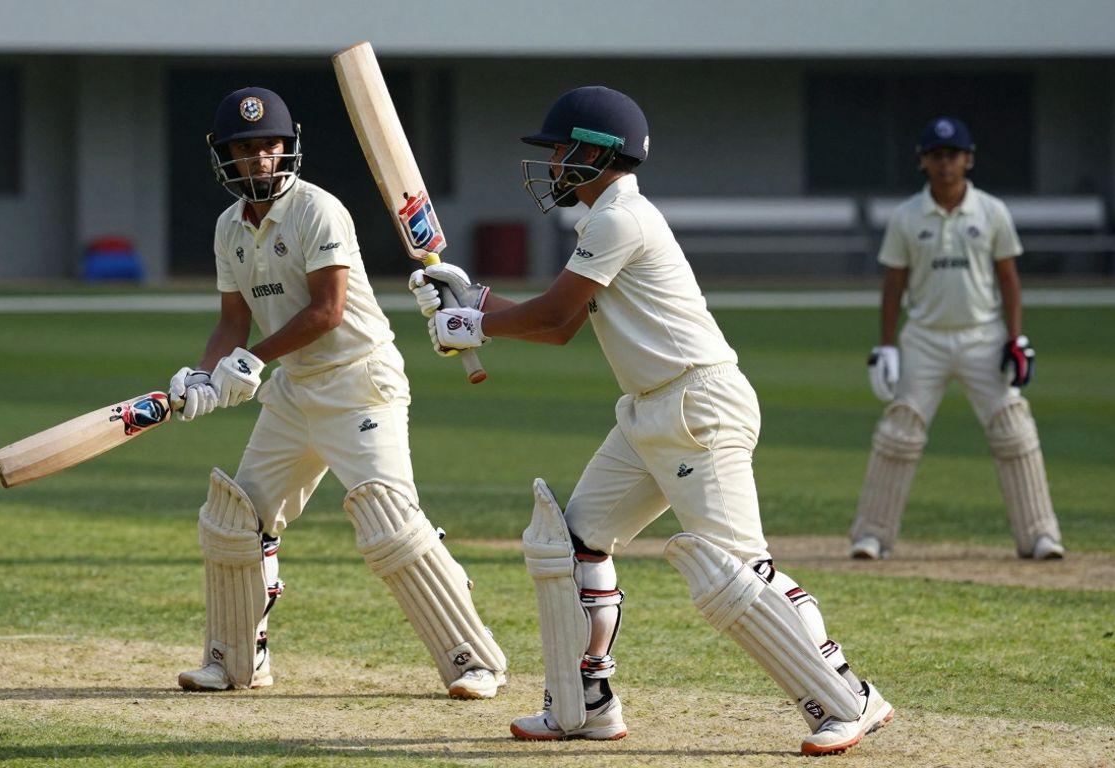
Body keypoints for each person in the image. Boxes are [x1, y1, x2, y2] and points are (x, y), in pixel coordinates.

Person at [409, 86, 891, 756]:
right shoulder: (603, 220)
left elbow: (555, 323)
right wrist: (475, 299)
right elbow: (562, 310)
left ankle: (848, 696)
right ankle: (585, 706)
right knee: (572, 543)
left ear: (598, 153)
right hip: (648, 410)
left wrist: (473, 323)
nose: (551, 163)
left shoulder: (618, 220)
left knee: (738, 572)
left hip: (698, 407)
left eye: (559, 149)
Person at [169, 86, 506, 699]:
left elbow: (327, 311)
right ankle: (235, 659)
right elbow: (232, 323)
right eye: (246, 150)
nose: (260, 160)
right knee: (235, 518)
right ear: (226, 157)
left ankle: (471, 659)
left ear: (287, 148)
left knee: (389, 522)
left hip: (359, 384)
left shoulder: (317, 209)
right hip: (297, 390)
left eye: (270, 146)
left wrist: (249, 361)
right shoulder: (228, 228)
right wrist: (203, 374)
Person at [848, 116, 1065, 562]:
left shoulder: (992, 212)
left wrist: (1016, 339)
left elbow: (1009, 278)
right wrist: (887, 345)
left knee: (1013, 429)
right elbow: (893, 284)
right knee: (899, 430)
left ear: (968, 160)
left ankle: (1040, 535)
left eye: (953, 156)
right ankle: (871, 535)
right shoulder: (907, 216)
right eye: (936, 156)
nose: (945, 164)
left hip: (983, 337)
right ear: (923, 162)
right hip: (924, 339)